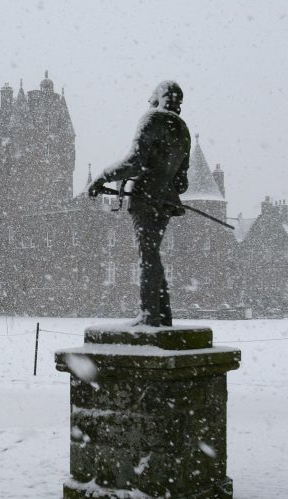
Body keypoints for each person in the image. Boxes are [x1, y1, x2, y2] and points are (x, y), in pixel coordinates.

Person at [87, 80, 191, 326]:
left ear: (160, 98)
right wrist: (163, 175)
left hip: (145, 198)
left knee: (147, 254)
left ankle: (148, 313)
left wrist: (103, 176)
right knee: (152, 252)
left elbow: (134, 161)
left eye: (153, 98)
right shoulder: (183, 130)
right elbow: (181, 183)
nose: (150, 102)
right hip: (165, 201)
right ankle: (162, 314)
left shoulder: (153, 119)